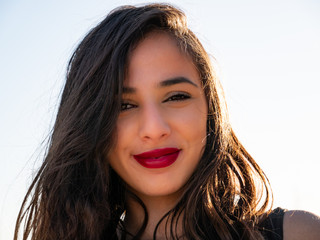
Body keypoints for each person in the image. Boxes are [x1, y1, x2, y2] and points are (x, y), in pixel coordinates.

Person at [14, 3, 320, 240]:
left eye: (176, 97)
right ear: (89, 123)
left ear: (211, 108)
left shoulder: (297, 233)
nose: (154, 128)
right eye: (124, 105)